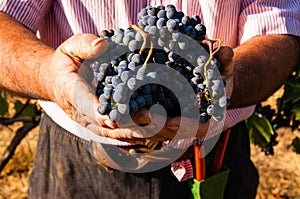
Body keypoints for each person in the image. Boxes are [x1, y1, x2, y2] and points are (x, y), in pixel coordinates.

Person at [0, 0, 299, 198]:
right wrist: (50, 75)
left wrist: (226, 81)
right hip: (80, 162)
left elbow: (279, 27)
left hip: (216, 153)